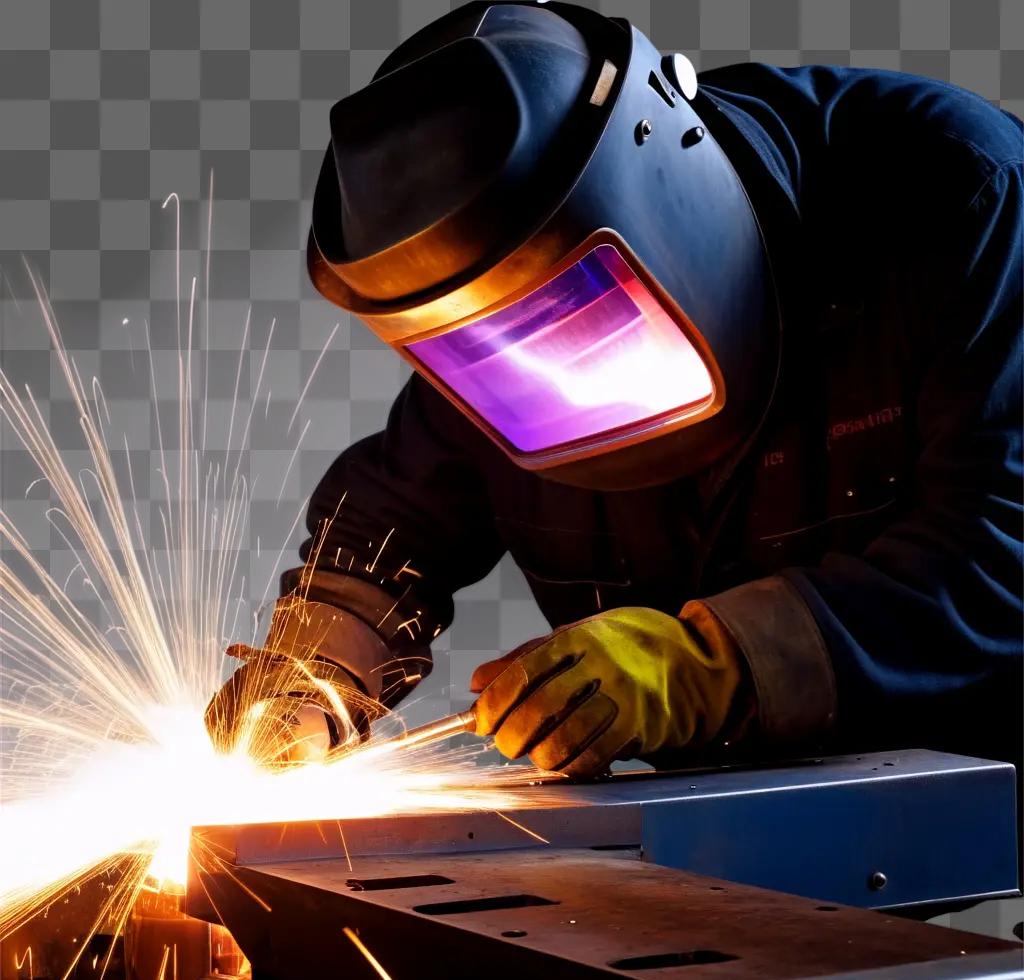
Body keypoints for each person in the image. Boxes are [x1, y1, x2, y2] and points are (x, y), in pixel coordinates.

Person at [206, 1, 1023, 779]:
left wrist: (710, 662)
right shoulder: (493, 333)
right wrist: (308, 677)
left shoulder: (961, 198)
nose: (548, 367)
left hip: (973, 783)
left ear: (670, 214)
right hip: (717, 834)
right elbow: (402, 520)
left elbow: (999, 550)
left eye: (578, 317)